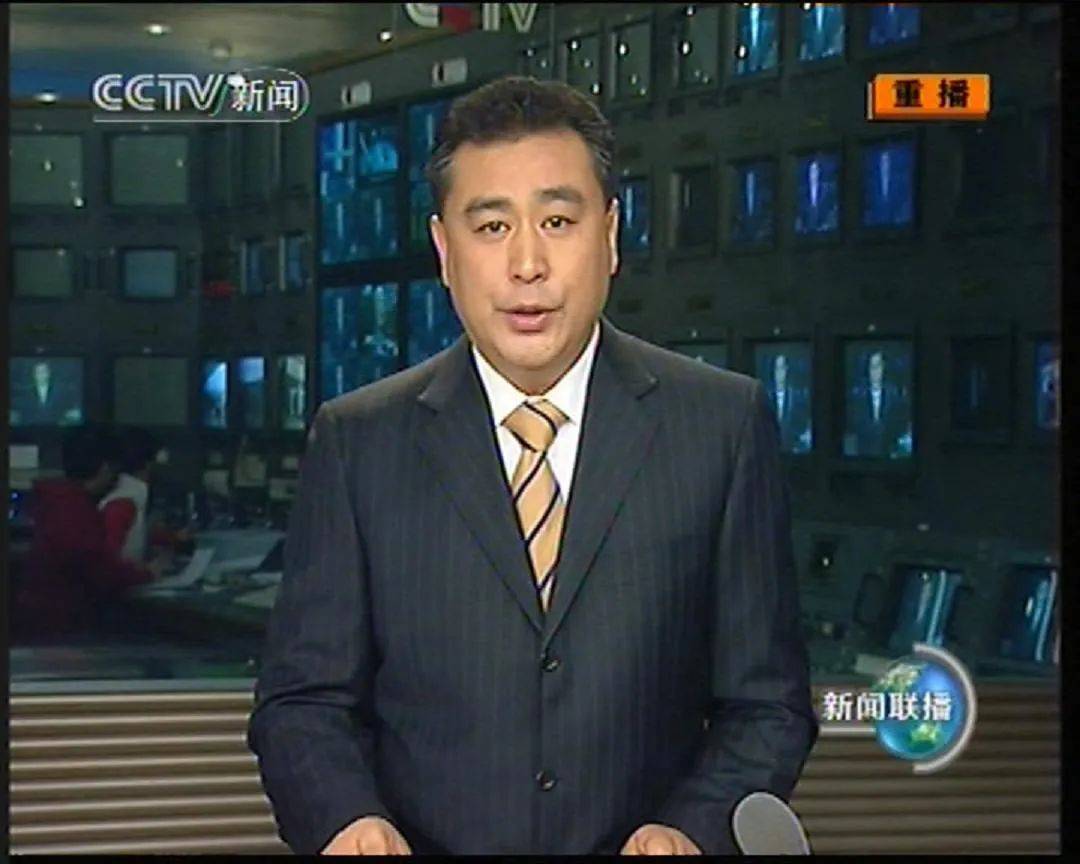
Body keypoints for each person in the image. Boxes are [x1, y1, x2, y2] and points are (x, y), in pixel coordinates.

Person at [248, 76, 818, 856]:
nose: (527, 263)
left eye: (557, 221)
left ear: (610, 236)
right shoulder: (359, 442)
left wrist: (692, 829)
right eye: (491, 227)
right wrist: (347, 820)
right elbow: (302, 702)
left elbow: (768, 705)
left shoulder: (721, 425)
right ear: (444, 251)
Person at [13, 425, 162, 642]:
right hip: (64, 626)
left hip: (45, 620)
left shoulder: (57, 501)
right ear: (105, 468)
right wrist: (146, 574)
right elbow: (98, 569)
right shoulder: (75, 510)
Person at [100, 426, 193, 565]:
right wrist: (147, 573)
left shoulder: (130, 494)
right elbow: (107, 562)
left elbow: (138, 534)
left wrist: (172, 537)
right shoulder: (123, 502)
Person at [847, 349, 909, 457]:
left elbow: (899, 424)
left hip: (889, 452)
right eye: (872, 366)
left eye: (878, 365)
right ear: (867, 369)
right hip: (864, 452)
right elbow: (854, 424)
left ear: (883, 367)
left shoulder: (893, 394)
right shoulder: (857, 395)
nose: (875, 370)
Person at [766, 353, 812, 453]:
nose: (780, 373)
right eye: (777, 368)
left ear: (787, 370)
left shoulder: (797, 398)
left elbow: (803, 427)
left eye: (782, 368)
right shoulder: (765, 396)